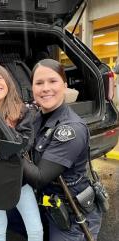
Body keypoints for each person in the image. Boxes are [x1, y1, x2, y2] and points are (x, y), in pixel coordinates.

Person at [23, 59, 102, 241]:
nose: (45, 88)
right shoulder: (37, 118)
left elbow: (39, 177)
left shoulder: (70, 129)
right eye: (39, 83)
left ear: (65, 86)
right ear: (32, 88)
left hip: (73, 216)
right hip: (49, 205)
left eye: (53, 81)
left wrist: (11, 149)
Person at [0, 61, 43, 241]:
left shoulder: (22, 111)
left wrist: (2, 126)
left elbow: (25, 143)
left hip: (18, 180)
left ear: (7, 81)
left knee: (35, 229)